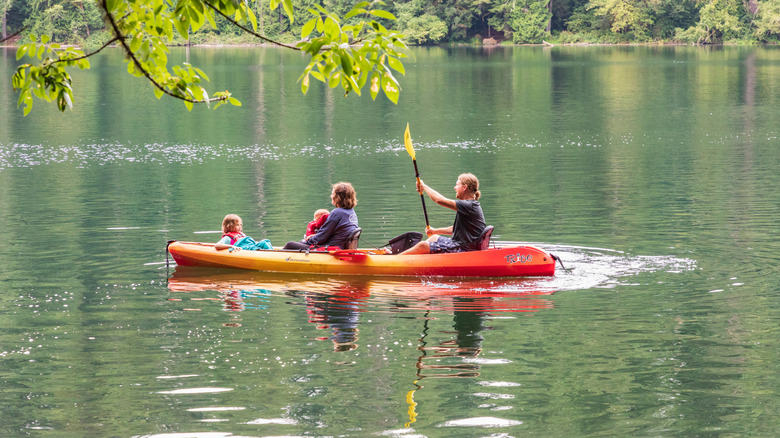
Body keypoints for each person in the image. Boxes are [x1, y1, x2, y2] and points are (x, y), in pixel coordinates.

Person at [401, 173, 486, 254]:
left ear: (464, 187)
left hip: (463, 249)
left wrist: (424, 186)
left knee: (423, 245)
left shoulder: (469, 205)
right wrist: (435, 231)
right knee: (433, 238)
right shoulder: (470, 205)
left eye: (457, 185)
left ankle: (396, 260)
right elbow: (457, 229)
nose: (454, 188)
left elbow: (439, 200)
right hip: (460, 245)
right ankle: (407, 256)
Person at [283, 182, 359, 250]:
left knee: (290, 244)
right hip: (341, 247)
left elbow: (321, 238)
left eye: (332, 193)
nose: (330, 196)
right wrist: (312, 237)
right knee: (300, 243)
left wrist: (307, 240)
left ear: (338, 197)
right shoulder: (351, 212)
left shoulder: (337, 213)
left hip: (331, 248)